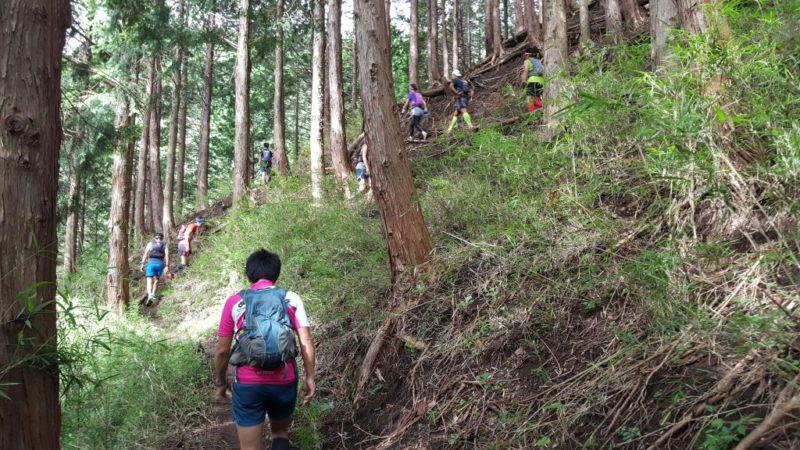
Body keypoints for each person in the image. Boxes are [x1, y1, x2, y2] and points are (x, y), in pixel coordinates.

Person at [215, 249, 316, 450]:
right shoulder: (291, 298)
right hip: (284, 380)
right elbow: (305, 341)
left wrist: (221, 382)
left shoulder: (235, 302)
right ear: (276, 274)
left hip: (248, 384)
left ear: (248, 274)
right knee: (280, 433)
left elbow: (222, 351)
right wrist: (310, 377)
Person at [140, 232, 169, 304]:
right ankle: (153, 294)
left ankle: (150, 295)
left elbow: (145, 254)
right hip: (160, 264)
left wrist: (142, 264)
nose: (158, 239)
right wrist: (167, 266)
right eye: (157, 238)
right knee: (156, 279)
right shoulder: (165, 245)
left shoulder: (150, 244)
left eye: (159, 238)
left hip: (151, 264)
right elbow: (167, 256)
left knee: (149, 279)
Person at [446, 70, 475, 135]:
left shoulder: (455, 79)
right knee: (456, 113)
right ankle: (449, 129)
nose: (451, 76)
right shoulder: (464, 82)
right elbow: (471, 91)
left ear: (454, 75)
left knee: (463, 110)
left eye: (452, 75)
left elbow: (450, 86)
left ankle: (471, 127)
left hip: (460, 98)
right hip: (465, 98)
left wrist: (456, 93)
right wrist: (470, 98)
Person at [521, 48, 545, 113]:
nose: (524, 57)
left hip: (532, 81)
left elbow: (526, 70)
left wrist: (523, 81)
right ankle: (542, 110)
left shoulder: (527, 61)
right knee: (537, 98)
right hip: (542, 81)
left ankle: (532, 114)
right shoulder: (539, 61)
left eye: (524, 55)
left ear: (527, 55)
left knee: (530, 99)